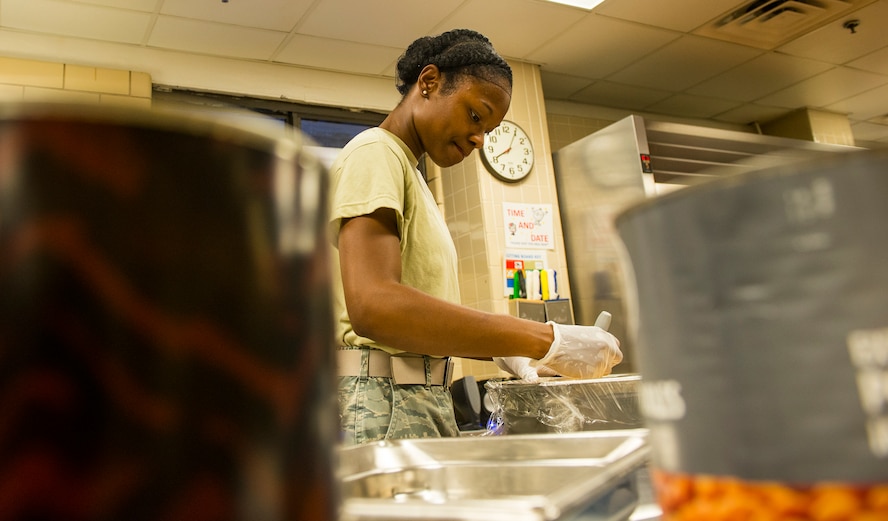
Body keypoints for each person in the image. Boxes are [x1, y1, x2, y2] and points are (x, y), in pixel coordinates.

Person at [328, 28, 622, 446]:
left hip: (414, 398)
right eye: (476, 116)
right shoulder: (374, 152)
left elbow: (419, 316)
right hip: (381, 403)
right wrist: (545, 339)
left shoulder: (412, 176)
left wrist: (503, 350)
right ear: (428, 83)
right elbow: (375, 307)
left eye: (489, 129)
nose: (479, 139)